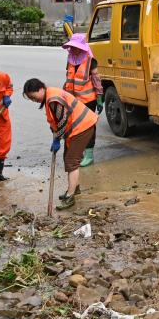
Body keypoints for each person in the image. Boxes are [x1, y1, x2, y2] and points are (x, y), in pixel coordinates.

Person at [22, 78, 99, 210]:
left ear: (41, 89)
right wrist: (55, 133)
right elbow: (57, 120)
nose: (34, 100)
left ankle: (70, 196)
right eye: (31, 99)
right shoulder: (49, 96)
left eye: (34, 97)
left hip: (82, 126)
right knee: (67, 158)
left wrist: (57, 138)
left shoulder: (53, 98)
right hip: (77, 128)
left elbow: (63, 120)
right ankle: (74, 188)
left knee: (71, 160)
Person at [62, 32, 102, 168]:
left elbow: (96, 80)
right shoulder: (70, 59)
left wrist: (100, 97)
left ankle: (89, 154)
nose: (74, 49)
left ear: (83, 47)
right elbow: (68, 78)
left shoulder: (91, 60)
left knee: (88, 126)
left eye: (76, 47)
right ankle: (82, 151)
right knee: (76, 126)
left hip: (88, 100)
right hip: (73, 100)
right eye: (72, 47)